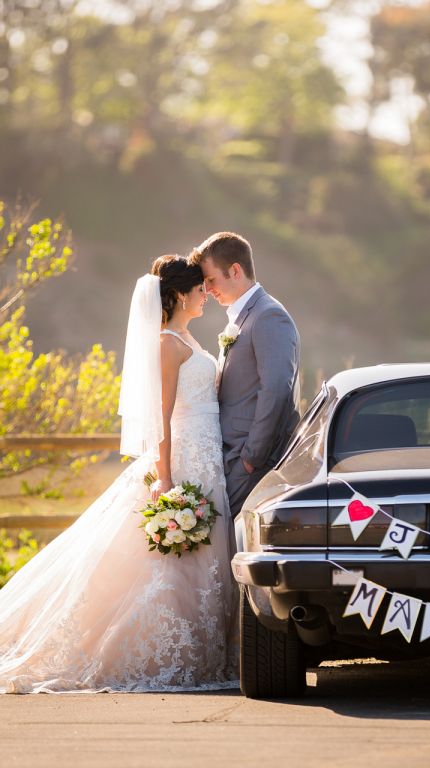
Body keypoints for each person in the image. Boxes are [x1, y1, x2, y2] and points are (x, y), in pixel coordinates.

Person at [0, 256, 237, 693]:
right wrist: (165, 478)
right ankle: (169, 653)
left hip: (206, 456)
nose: (206, 295)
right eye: (201, 289)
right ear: (182, 294)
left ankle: (205, 651)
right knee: (170, 563)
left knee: (199, 559)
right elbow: (160, 417)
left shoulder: (187, 337)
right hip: (183, 456)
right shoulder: (168, 343)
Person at [189, 232, 300, 519]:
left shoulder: (268, 316)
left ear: (235, 270)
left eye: (211, 280)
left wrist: (251, 459)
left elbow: (276, 390)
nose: (207, 289)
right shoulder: (244, 318)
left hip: (249, 462)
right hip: (230, 458)